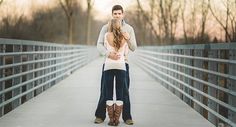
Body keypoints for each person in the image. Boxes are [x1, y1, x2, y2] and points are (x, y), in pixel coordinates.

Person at [95, 5, 137, 125]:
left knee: (124, 91)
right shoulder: (105, 27)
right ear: (112, 14)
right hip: (108, 62)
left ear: (123, 14)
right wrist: (108, 54)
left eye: (119, 13)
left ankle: (127, 117)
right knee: (104, 90)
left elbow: (133, 48)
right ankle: (100, 116)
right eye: (115, 13)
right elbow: (99, 44)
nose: (117, 15)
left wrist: (128, 39)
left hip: (124, 64)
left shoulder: (129, 28)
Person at [103, 18, 129, 126]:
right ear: (120, 26)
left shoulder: (106, 35)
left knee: (108, 92)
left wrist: (111, 53)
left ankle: (111, 119)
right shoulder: (125, 36)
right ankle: (117, 120)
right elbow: (126, 52)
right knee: (119, 92)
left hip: (109, 65)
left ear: (110, 26)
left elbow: (105, 49)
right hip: (121, 66)